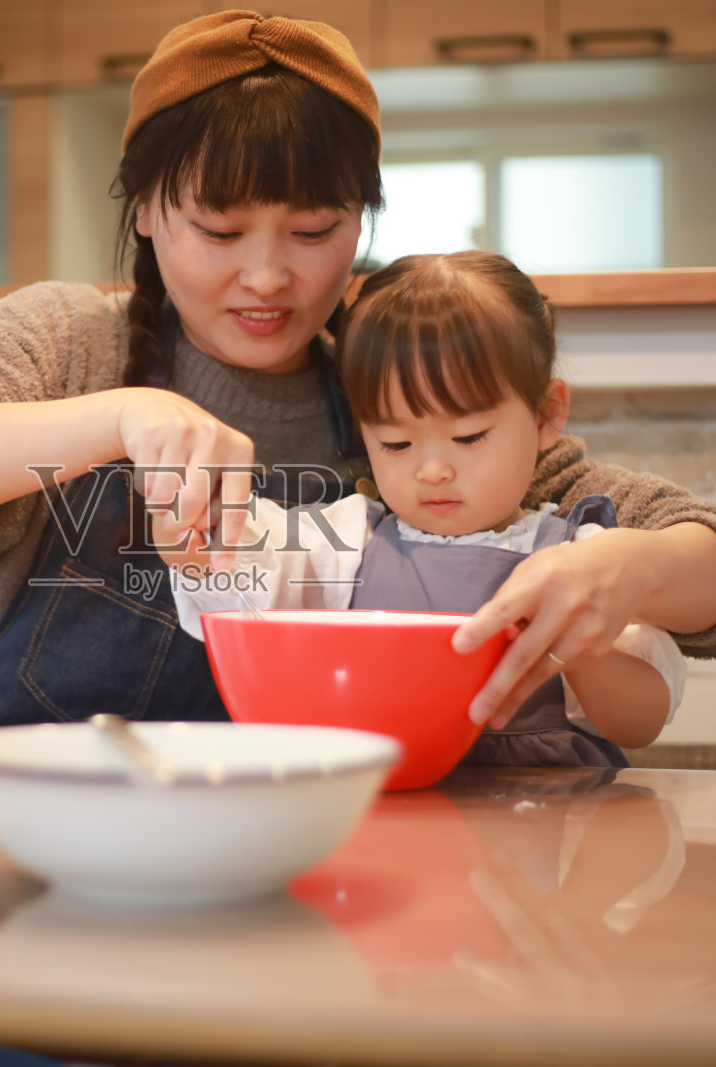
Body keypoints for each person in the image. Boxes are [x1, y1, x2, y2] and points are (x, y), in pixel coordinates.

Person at [0, 9, 716, 736]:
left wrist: (628, 569)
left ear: (361, 218)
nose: (268, 277)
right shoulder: (69, 345)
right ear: (146, 209)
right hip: (49, 845)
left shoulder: (392, 382)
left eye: (313, 231)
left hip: (317, 851)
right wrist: (116, 418)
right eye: (220, 231)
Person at [167, 251, 684, 765]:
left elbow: (639, 724)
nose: (432, 470)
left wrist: (580, 651)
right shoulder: (348, 542)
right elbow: (240, 565)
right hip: (392, 796)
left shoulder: (581, 559)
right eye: (396, 443)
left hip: (550, 803)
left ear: (546, 415)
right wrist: (197, 520)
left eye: (468, 436)